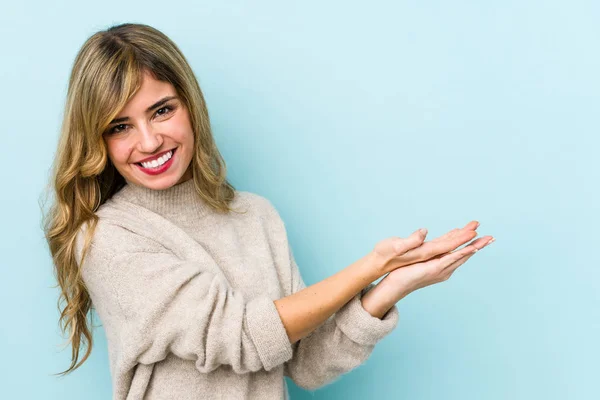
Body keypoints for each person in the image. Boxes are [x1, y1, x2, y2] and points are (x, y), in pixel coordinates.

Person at [41, 23, 494, 400]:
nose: (149, 140)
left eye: (161, 110)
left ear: (190, 105)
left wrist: (390, 286)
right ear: (97, 140)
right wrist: (370, 266)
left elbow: (305, 363)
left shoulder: (255, 215)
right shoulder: (108, 237)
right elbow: (241, 335)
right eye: (120, 126)